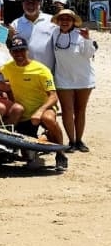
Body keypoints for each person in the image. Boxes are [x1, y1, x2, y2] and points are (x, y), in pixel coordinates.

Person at [0, 37, 68, 171]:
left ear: (27, 50)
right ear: (10, 53)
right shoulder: (8, 68)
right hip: (24, 113)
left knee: (48, 119)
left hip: (44, 108)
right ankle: (44, 138)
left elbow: (53, 96)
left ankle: (61, 154)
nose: (18, 54)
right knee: (27, 157)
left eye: (21, 50)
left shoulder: (42, 70)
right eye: (15, 51)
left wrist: (40, 111)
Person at [50, 9, 95, 153]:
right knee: (67, 111)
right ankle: (71, 140)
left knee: (80, 110)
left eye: (68, 19)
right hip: (63, 78)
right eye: (62, 18)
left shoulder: (81, 34)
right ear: (58, 21)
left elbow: (89, 54)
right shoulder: (54, 33)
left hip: (83, 79)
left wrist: (88, 39)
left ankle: (80, 140)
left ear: (73, 21)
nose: (64, 21)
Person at [7, 0, 55, 70]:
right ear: (22, 5)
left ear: (40, 4)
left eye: (33, 2)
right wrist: (10, 37)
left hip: (48, 71)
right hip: (26, 72)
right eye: (27, 3)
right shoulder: (15, 24)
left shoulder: (52, 21)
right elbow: (10, 47)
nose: (30, 5)